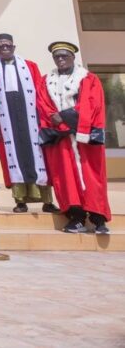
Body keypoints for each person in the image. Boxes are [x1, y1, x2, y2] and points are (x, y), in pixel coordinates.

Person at [42, 41, 112, 234]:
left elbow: (92, 105)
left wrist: (64, 118)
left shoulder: (89, 79)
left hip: (85, 137)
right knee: (65, 178)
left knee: (93, 177)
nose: (60, 59)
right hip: (61, 139)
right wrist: (61, 126)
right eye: (57, 56)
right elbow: (45, 107)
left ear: (73, 57)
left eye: (64, 56)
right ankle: (77, 217)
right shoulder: (45, 81)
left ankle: (98, 219)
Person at [0, 34, 58, 214]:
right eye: (1, 46)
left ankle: (47, 201)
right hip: (7, 123)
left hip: (32, 122)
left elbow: (41, 93)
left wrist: (45, 119)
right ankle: (20, 202)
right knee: (13, 159)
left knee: (39, 158)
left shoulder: (30, 66)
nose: (5, 48)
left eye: (8, 45)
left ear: (13, 47)